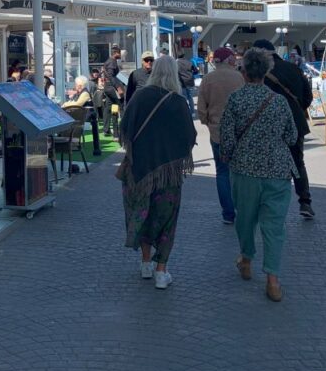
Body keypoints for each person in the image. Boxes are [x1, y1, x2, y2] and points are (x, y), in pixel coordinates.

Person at [219, 48, 298, 302]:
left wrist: (229, 156)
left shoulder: (235, 100)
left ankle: (246, 258)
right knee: (274, 227)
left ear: (243, 72)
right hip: (277, 171)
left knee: (245, 219)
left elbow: (227, 139)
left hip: (245, 171)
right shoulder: (279, 101)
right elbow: (292, 136)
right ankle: (273, 280)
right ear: (266, 72)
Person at [119, 55, 196, 290]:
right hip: (168, 175)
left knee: (143, 213)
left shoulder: (140, 97)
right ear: (174, 74)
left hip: (138, 170)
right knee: (166, 219)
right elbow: (190, 138)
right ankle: (161, 271)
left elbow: (124, 130)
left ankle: (145, 263)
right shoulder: (178, 102)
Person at [252, 38, 314, 219]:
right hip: (296, 123)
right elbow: (308, 96)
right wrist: (297, 110)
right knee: (297, 163)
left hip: (269, 126)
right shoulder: (293, 68)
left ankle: (271, 204)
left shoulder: (259, 73)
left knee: (268, 164)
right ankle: (305, 202)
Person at [197, 47, 246, 225]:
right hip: (239, 132)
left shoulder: (208, 79)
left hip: (217, 132)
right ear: (228, 60)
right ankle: (243, 208)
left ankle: (227, 213)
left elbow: (201, 108)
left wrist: (208, 122)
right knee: (239, 171)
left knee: (222, 172)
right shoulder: (239, 77)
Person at [62, 76, 100, 154]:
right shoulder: (80, 92)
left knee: (67, 120)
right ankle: (70, 142)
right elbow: (73, 102)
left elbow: (78, 104)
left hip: (87, 114)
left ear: (80, 85)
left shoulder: (85, 93)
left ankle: (69, 142)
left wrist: (65, 104)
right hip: (82, 113)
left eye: (76, 84)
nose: (75, 86)